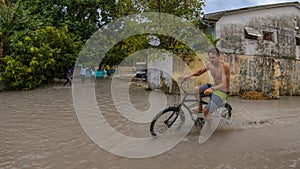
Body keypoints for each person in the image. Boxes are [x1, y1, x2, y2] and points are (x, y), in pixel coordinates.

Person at [184, 47, 230, 117]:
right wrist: (188, 76)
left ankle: (210, 126)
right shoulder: (209, 64)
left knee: (206, 111)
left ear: (218, 56)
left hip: (222, 91)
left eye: (213, 58)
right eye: (210, 58)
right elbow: (199, 72)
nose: (211, 60)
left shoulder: (224, 66)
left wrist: (212, 89)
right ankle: (199, 109)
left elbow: (224, 84)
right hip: (214, 86)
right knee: (196, 89)